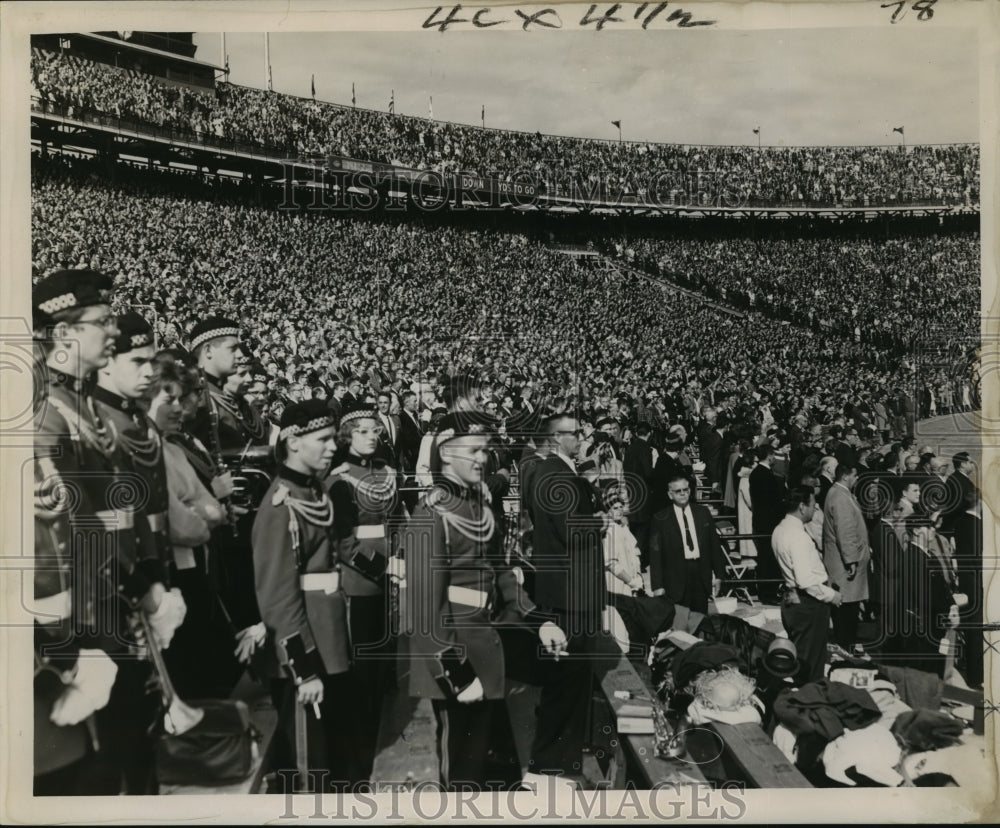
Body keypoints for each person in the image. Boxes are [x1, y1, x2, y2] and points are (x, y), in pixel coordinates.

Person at [32, 269, 184, 795]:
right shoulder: (45, 414)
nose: (113, 332)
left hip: (112, 599)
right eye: (102, 322)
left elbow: (116, 518)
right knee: (101, 768)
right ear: (63, 334)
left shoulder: (88, 408)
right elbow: (56, 538)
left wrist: (144, 581)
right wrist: (72, 647)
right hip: (84, 618)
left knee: (134, 751)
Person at [402, 410, 528, 789]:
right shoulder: (432, 513)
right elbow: (424, 609)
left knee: (488, 767)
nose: (481, 458)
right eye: (472, 450)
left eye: (485, 451)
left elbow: (498, 567)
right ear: (446, 454)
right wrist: (457, 672)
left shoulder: (477, 505)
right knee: (462, 774)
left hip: (485, 644)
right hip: (456, 659)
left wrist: (535, 616)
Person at [252, 399, 366, 792]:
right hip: (306, 653)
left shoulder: (314, 492)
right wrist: (304, 669)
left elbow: (341, 549)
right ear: (294, 441)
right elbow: (277, 598)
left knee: (335, 759)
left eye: (334, 437)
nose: (334, 446)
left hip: (330, 641)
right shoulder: (278, 507)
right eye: (324, 439)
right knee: (309, 769)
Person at [147, 352, 246, 699]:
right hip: (177, 566)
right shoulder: (153, 447)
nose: (180, 407)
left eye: (180, 398)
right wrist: (210, 513)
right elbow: (190, 521)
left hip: (196, 559)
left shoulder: (174, 444)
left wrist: (206, 511)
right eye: (169, 399)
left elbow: (200, 506)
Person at [525, 413, 607, 785]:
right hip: (571, 596)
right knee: (567, 685)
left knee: (567, 684)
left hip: (566, 592)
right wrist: (603, 521)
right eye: (575, 434)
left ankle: (557, 764)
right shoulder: (558, 475)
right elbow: (573, 531)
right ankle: (552, 767)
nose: (581, 438)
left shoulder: (554, 472)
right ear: (558, 439)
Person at [325, 404, 404, 780]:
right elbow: (344, 545)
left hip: (389, 576)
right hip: (359, 581)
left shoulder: (387, 474)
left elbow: (396, 524)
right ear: (346, 437)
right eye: (362, 431)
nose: (372, 436)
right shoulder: (340, 481)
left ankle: (375, 740)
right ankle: (357, 754)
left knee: (381, 665)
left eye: (375, 430)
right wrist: (385, 566)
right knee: (362, 666)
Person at [771, 487, 842, 685]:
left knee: (801, 657)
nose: (816, 507)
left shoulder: (780, 529)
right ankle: (809, 702)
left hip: (792, 598)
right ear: (802, 507)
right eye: (813, 504)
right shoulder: (798, 536)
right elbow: (805, 579)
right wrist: (831, 595)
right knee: (811, 664)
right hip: (808, 604)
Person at [648, 472, 728, 614]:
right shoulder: (660, 519)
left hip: (700, 574)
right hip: (675, 578)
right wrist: (657, 586)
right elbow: (655, 554)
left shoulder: (703, 513)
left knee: (701, 620)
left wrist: (719, 574)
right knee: (680, 623)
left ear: (690, 491)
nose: (683, 494)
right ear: (670, 494)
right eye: (678, 491)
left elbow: (714, 545)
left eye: (685, 490)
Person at [822, 463, 871, 652]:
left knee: (848, 605)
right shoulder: (840, 497)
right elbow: (846, 530)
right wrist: (850, 559)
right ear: (846, 476)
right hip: (845, 562)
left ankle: (846, 641)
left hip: (843, 558)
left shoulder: (838, 493)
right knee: (847, 606)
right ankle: (846, 645)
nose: (857, 479)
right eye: (855, 475)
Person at [749, 444, 786, 603]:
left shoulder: (757, 473)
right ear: (770, 456)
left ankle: (768, 592)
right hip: (768, 523)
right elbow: (771, 502)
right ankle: (768, 594)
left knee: (766, 558)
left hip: (762, 521)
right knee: (768, 560)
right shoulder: (765, 475)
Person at [953, 493, 983, 688]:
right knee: (976, 631)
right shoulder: (976, 525)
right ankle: (976, 676)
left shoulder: (961, 521)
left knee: (971, 629)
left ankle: (973, 673)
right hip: (977, 582)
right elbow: (979, 557)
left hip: (966, 582)